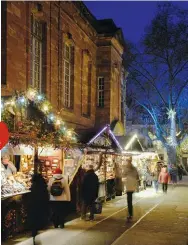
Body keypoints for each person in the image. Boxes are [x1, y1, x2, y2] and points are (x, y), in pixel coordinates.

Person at [28, 174, 49, 245]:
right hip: (41, 206)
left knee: (34, 220)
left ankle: (34, 233)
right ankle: (36, 233)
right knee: (39, 220)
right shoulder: (43, 185)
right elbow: (46, 197)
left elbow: (32, 196)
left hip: (34, 206)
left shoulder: (34, 186)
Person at [122, 157, 139, 221]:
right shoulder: (134, 168)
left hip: (129, 186)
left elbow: (123, 176)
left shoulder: (126, 169)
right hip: (132, 186)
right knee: (129, 200)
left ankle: (130, 214)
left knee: (129, 201)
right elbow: (137, 177)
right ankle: (130, 214)